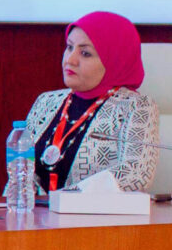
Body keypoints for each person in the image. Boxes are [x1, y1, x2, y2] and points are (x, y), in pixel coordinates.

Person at [23, 10, 160, 194]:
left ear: (114, 60)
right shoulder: (46, 102)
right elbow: (21, 168)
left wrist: (66, 198)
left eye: (85, 53)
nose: (70, 60)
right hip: (36, 211)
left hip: (95, 212)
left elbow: (136, 173)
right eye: (69, 47)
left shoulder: (136, 106)